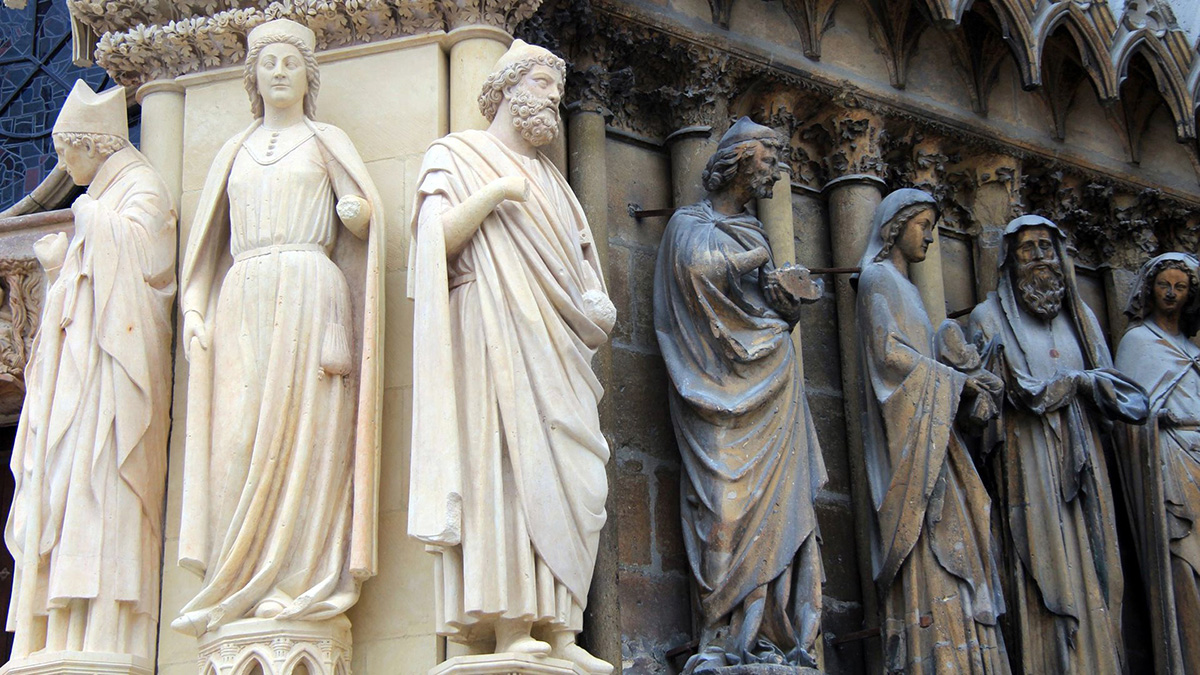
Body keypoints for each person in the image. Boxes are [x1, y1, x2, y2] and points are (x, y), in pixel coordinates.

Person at [406, 39, 615, 674]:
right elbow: (430, 245)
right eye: (545, 85)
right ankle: (509, 622)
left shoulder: (557, 180)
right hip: (490, 332)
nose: (554, 98)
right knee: (502, 468)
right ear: (507, 88)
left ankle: (559, 626)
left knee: (565, 472)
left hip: (556, 346)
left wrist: (597, 305)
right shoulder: (456, 155)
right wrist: (495, 193)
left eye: (557, 89)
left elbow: (583, 266)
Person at [173, 18, 384, 636]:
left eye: (291, 61)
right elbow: (203, 251)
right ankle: (236, 581)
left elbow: (366, 221)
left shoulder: (326, 140)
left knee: (308, 437)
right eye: (269, 63)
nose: (280, 71)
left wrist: (360, 213)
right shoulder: (233, 152)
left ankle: (294, 580)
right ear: (253, 76)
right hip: (242, 293)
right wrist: (192, 309)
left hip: (309, 288)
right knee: (237, 438)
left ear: (308, 75)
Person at [4, 81, 175, 662]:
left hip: (111, 380)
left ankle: (103, 632)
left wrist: (92, 222)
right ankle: (61, 631)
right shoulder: (106, 192)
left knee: (102, 486)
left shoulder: (139, 188)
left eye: (66, 150)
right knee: (68, 488)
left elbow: (151, 266)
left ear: (92, 144)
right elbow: (84, 294)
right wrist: (58, 270)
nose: (60, 164)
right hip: (82, 375)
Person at [652, 117, 826, 673]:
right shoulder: (688, 224)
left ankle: (764, 632)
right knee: (723, 509)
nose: (774, 173)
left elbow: (767, 308)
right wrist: (759, 265)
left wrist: (788, 296)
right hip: (713, 387)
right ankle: (716, 635)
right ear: (739, 161)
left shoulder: (754, 232)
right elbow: (699, 275)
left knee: (780, 504)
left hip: (772, 382)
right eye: (769, 161)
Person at [967, 215, 1148, 675]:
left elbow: (1117, 392)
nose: (1039, 259)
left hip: (1086, 459)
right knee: (1042, 567)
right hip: (1027, 459)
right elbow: (983, 401)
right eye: (1027, 250)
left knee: (1099, 561)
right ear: (1010, 261)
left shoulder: (1083, 320)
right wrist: (1059, 388)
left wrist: (1084, 387)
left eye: (1046, 248)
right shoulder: (988, 316)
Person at [857, 188, 1009, 673]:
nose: (929, 236)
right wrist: (956, 382)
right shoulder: (878, 278)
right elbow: (889, 356)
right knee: (935, 538)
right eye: (922, 223)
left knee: (967, 529)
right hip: (911, 441)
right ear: (895, 225)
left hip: (935, 434)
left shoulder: (912, 291)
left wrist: (963, 372)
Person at [1114, 252, 1200, 673]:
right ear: (1150, 288)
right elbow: (1126, 415)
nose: (1171, 293)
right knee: (1183, 563)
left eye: (1180, 287)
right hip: (1167, 460)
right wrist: (1154, 421)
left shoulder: (1192, 349)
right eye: (1164, 284)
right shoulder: (1137, 342)